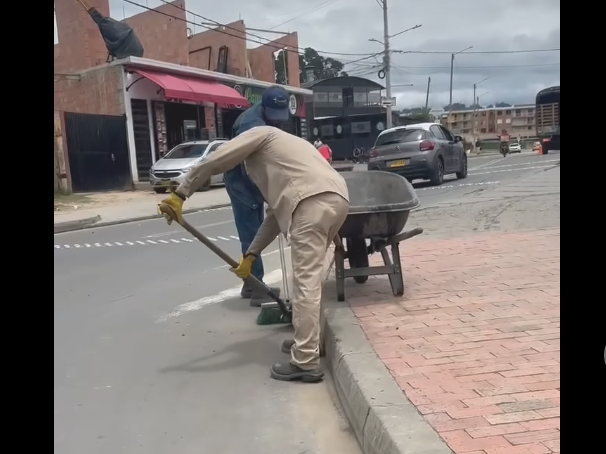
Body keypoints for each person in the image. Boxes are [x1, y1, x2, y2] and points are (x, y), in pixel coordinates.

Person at [158, 126, 350, 382]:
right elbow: (274, 215)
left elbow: (216, 158)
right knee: (311, 283)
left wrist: (181, 193)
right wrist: (250, 255)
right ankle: (309, 343)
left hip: (310, 204)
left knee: (305, 285)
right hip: (336, 199)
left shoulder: (261, 135)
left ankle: (305, 361)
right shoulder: (285, 150)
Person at [223, 86, 291, 307]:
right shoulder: (250, 127)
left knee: (256, 230)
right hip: (241, 183)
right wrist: (269, 192)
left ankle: (249, 283)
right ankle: (258, 287)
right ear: (264, 106)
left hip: (253, 181)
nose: (278, 122)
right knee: (252, 234)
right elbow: (249, 168)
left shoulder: (266, 119)